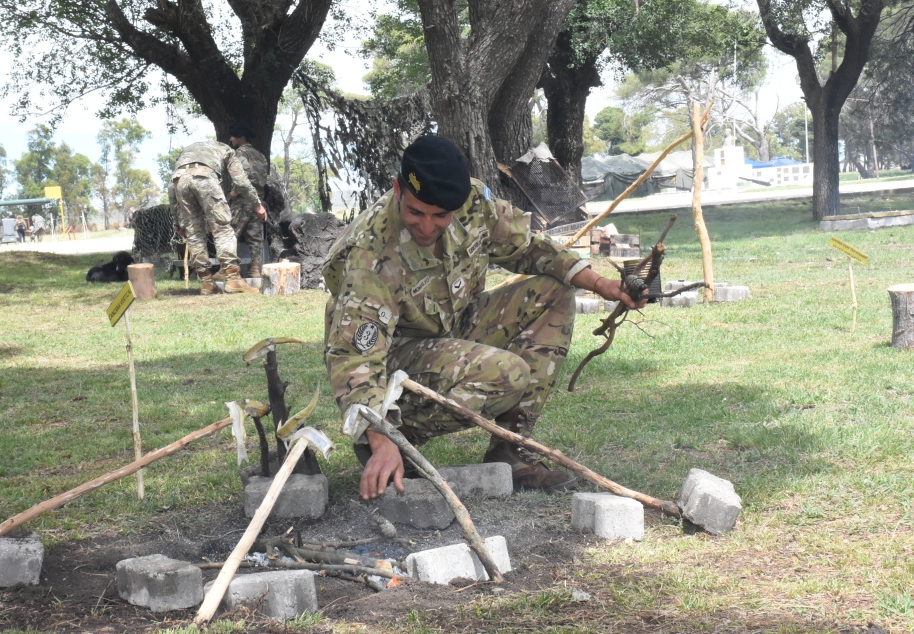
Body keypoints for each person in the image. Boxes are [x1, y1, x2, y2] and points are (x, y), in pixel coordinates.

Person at [323, 135, 644, 501]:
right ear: (398, 189)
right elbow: (355, 359)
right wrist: (380, 437)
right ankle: (399, 440)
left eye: (440, 216)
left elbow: (529, 246)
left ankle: (510, 449)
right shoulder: (370, 252)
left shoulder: (474, 202)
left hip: (451, 324)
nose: (427, 227)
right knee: (508, 373)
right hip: (396, 353)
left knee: (553, 291)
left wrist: (600, 283)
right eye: (415, 212)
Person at [168, 140, 267, 294]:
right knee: (222, 229)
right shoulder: (227, 150)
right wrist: (257, 204)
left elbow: (171, 188)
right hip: (205, 178)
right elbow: (241, 181)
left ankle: (206, 283)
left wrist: (177, 222)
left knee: (194, 233)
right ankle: (233, 279)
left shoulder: (186, 152)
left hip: (180, 181)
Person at [228, 121, 270, 278]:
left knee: (231, 234)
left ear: (240, 138)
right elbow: (263, 177)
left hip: (242, 200)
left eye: (233, 137)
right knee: (255, 237)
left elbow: (243, 175)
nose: (231, 140)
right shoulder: (261, 156)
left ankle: (227, 269)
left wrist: (235, 192)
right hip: (258, 201)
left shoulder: (239, 154)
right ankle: (254, 269)